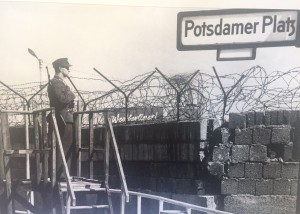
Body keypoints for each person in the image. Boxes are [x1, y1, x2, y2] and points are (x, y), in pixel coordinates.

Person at [47, 57, 76, 180]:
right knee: (63, 146)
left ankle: (63, 173)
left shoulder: (60, 82)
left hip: (64, 117)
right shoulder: (56, 82)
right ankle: (60, 174)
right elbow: (62, 99)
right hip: (62, 118)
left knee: (66, 146)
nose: (69, 70)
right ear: (60, 68)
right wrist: (72, 94)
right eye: (67, 67)